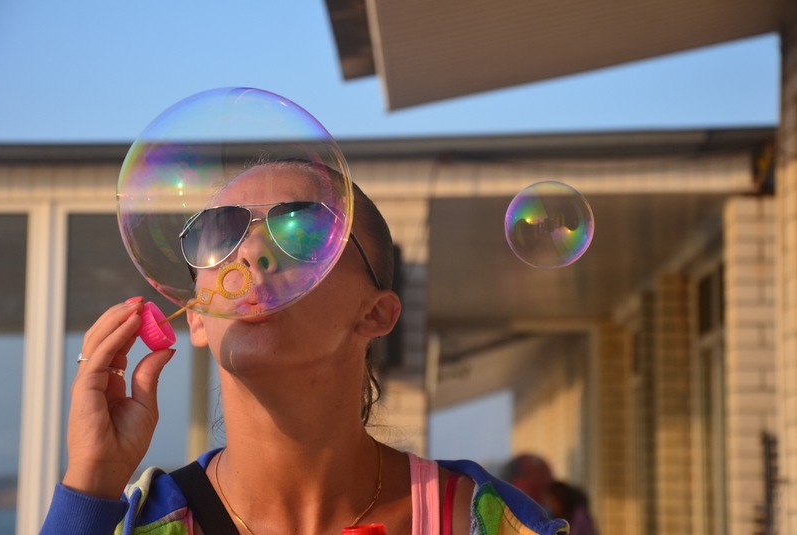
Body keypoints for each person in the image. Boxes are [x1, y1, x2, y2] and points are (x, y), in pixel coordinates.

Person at [41, 160, 569, 534]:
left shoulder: (483, 520)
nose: (251, 253)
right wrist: (91, 482)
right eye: (220, 233)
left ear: (377, 313)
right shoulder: (144, 523)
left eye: (302, 231)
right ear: (197, 318)